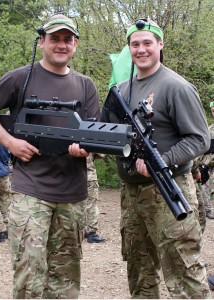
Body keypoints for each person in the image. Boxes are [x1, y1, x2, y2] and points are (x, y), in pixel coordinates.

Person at [0, 14, 100, 299]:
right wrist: (10, 143)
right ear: (42, 41)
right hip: (30, 190)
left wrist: (87, 147)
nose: (61, 45)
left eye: (68, 39)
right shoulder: (20, 77)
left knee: (65, 278)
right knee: (29, 274)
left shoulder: (86, 85)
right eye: (55, 38)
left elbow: (93, 133)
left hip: (73, 193)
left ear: (75, 44)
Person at [101, 18, 211, 298]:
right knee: (139, 273)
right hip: (132, 195)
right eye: (135, 44)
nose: (141, 49)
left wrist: (162, 160)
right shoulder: (120, 90)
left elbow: (199, 139)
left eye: (147, 43)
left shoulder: (177, 87)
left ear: (160, 45)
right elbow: (107, 132)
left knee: (185, 272)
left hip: (169, 191)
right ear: (129, 48)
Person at [84, 153, 105, 243]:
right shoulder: (89, 138)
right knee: (91, 205)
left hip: (72, 176)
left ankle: (82, 231)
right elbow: (101, 154)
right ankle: (91, 233)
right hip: (88, 175)